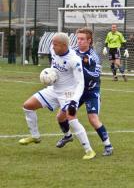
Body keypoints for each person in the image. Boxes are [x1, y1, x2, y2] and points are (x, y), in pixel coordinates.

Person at [19, 32, 96, 160]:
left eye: (55, 44)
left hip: (68, 93)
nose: (52, 47)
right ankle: (35, 136)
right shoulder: (53, 50)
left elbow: (80, 83)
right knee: (28, 106)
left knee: (70, 117)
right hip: (53, 89)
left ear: (64, 45)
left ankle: (89, 150)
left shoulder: (74, 60)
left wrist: (74, 101)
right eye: (52, 44)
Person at [56, 27, 113, 156]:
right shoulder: (73, 52)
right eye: (78, 39)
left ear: (89, 41)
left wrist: (80, 68)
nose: (79, 41)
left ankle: (108, 146)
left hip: (91, 91)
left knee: (93, 119)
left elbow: (95, 75)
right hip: (77, 91)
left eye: (82, 39)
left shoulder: (93, 57)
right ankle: (67, 136)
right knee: (61, 116)